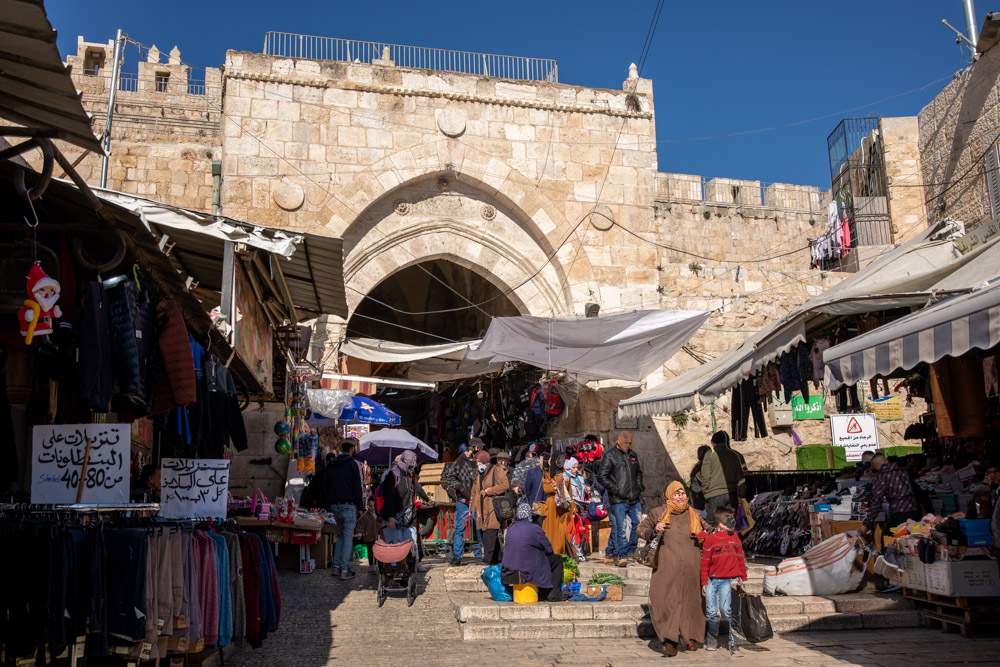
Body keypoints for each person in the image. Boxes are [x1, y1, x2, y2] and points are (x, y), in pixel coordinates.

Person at [637, 480, 705, 657]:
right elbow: (641, 529)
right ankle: (669, 641)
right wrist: (654, 530)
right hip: (667, 567)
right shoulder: (658, 513)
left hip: (692, 567)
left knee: (693, 601)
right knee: (665, 599)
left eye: (683, 493)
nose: (681, 497)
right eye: (677, 493)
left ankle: (690, 637)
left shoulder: (694, 514)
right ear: (668, 495)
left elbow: (709, 531)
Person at [700, 505, 748, 655]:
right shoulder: (710, 540)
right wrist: (703, 582)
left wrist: (743, 574)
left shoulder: (735, 538)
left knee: (726, 610)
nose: (732, 523)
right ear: (721, 523)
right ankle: (712, 637)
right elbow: (705, 562)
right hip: (711, 581)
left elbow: (740, 556)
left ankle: (733, 639)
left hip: (726, 581)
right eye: (729, 520)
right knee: (711, 612)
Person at [501, 502, 570, 603]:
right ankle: (554, 594)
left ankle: (544, 592)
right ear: (529, 514)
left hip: (509, 566)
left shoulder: (511, 528)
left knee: (540, 559)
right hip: (527, 567)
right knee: (557, 560)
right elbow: (549, 550)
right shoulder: (534, 528)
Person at [597, 431, 643, 567]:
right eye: (625, 443)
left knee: (637, 524)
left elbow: (638, 473)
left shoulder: (633, 455)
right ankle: (622, 555)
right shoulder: (610, 455)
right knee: (621, 528)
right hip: (618, 499)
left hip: (634, 498)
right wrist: (615, 489)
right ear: (618, 441)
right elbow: (601, 476)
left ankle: (631, 549)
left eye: (630, 443)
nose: (627, 446)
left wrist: (639, 486)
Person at [378, 450, 427, 570]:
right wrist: (390, 516)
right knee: (395, 548)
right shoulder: (392, 475)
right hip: (392, 519)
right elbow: (388, 498)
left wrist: (427, 499)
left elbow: (415, 490)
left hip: (405, 519)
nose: (414, 465)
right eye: (413, 462)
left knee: (409, 546)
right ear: (407, 461)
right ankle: (394, 573)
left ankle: (406, 571)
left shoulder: (408, 475)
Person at [324, 441, 364, 580]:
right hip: (349, 505)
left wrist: (330, 502)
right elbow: (357, 487)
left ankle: (336, 567)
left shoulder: (332, 465)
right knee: (347, 538)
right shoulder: (352, 464)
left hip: (335, 505)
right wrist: (360, 507)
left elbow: (327, 485)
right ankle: (344, 570)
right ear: (352, 449)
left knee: (341, 536)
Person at [861, 452, 921, 537]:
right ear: (886, 460)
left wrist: (865, 524)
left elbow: (876, 503)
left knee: (888, 542)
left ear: (875, 467)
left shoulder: (881, 477)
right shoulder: (904, 471)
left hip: (898, 513)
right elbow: (918, 491)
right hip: (915, 511)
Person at [442, 441, 479, 566]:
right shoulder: (458, 462)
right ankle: (457, 556)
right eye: (468, 450)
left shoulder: (476, 461)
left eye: (471, 450)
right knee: (460, 529)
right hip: (463, 501)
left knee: (479, 527)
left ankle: (479, 555)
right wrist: (461, 488)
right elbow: (449, 478)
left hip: (476, 500)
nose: (470, 452)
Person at [470, 449, 510, 565]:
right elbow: (475, 490)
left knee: (490, 532)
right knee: (485, 532)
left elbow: (505, 485)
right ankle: (498, 558)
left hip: (493, 506)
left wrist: (489, 491)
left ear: (484, 460)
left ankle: (487, 558)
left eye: (478, 461)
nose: (477, 464)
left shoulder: (497, 470)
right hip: (482, 508)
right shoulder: (479, 474)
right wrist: (473, 506)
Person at [701, 431, 747, 516]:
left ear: (713, 442)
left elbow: (706, 477)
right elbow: (740, 477)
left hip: (715, 495)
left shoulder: (710, 455)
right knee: (730, 524)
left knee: (712, 524)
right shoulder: (735, 455)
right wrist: (741, 495)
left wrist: (706, 497)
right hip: (732, 495)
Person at [561, 457, 589, 561]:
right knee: (572, 531)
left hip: (580, 506)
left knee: (580, 530)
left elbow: (583, 489)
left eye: (577, 467)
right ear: (568, 468)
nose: (576, 470)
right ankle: (575, 552)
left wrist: (587, 491)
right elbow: (567, 494)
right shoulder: (565, 478)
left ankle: (578, 551)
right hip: (571, 508)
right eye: (573, 467)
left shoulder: (579, 477)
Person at [356, 498, 379, 574]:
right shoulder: (365, 516)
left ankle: (376, 565)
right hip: (369, 536)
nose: (372, 508)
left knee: (377, 552)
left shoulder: (379, 514)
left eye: (373, 506)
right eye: (370, 506)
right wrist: (359, 533)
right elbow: (360, 525)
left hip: (377, 536)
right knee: (370, 552)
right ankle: (371, 565)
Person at [689, 445, 711, 513]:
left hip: (696, 500)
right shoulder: (703, 467)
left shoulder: (698, 466)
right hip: (699, 502)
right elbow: (706, 485)